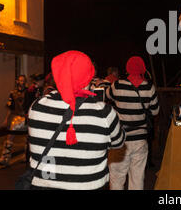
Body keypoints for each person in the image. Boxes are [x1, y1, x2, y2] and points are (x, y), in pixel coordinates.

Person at [27, 50, 125, 190]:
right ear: (89, 75)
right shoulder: (104, 112)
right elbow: (118, 143)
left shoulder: (37, 107)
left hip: (46, 183)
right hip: (88, 185)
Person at [106, 56, 159, 190]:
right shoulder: (148, 87)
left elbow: (107, 95)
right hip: (140, 139)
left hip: (120, 140)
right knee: (137, 179)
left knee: (117, 179)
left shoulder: (117, 85)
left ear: (128, 68)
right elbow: (155, 111)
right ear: (142, 68)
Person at [0, 75, 27, 166]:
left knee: (28, 138)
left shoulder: (29, 92)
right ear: (17, 82)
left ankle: (27, 156)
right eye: (20, 80)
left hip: (26, 116)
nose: (22, 82)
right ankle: (5, 158)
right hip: (16, 117)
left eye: (23, 81)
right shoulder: (13, 93)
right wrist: (6, 119)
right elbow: (10, 108)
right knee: (10, 137)